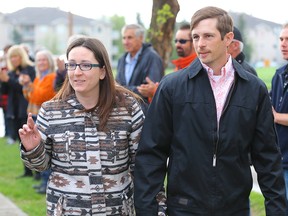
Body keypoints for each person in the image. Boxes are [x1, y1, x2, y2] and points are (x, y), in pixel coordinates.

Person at [134, 6, 287, 215]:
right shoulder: (172, 87)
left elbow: (267, 157)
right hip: (184, 208)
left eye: (208, 36)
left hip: (235, 208)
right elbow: (151, 153)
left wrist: (277, 210)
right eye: (195, 37)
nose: (200, 44)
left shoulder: (254, 89)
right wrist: (147, 209)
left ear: (228, 38)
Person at [19, 37, 145, 215]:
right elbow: (40, 165)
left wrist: (157, 206)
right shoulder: (51, 111)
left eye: (85, 65)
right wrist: (33, 149)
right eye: (71, 65)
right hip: (68, 210)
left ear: (102, 71)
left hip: (116, 210)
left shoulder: (127, 109)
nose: (76, 72)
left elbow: (143, 165)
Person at [19, 49, 57, 193]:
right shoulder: (38, 78)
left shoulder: (51, 77)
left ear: (49, 61)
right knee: (38, 149)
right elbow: (29, 97)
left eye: (44, 59)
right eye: (39, 59)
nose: (41, 62)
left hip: (45, 118)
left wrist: (30, 85)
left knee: (46, 149)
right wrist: (27, 86)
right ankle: (42, 181)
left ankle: (46, 183)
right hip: (35, 116)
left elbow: (41, 97)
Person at [0, 44, 36, 178]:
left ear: (22, 56)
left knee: (31, 142)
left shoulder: (29, 70)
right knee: (21, 144)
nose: (14, 59)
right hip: (13, 111)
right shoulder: (10, 72)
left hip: (25, 110)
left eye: (16, 56)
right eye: (12, 57)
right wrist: (3, 80)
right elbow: (4, 91)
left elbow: (23, 89)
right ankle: (27, 171)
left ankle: (37, 172)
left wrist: (8, 80)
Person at [137, 23, 197, 100]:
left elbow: (186, 99)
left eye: (182, 41)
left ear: (194, 42)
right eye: (176, 41)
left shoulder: (198, 67)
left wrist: (155, 91)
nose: (177, 44)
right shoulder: (178, 67)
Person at [116, 24, 164, 110]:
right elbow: (115, 85)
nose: (125, 42)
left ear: (141, 38)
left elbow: (148, 89)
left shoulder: (152, 57)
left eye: (130, 38)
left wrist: (121, 89)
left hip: (144, 113)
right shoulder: (122, 60)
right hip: (123, 112)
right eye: (124, 38)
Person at [270, 23, 288, 215]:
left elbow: (272, 114)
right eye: (281, 39)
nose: (283, 44)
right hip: (278, 161)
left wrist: (276, 116)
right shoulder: (279, 75)